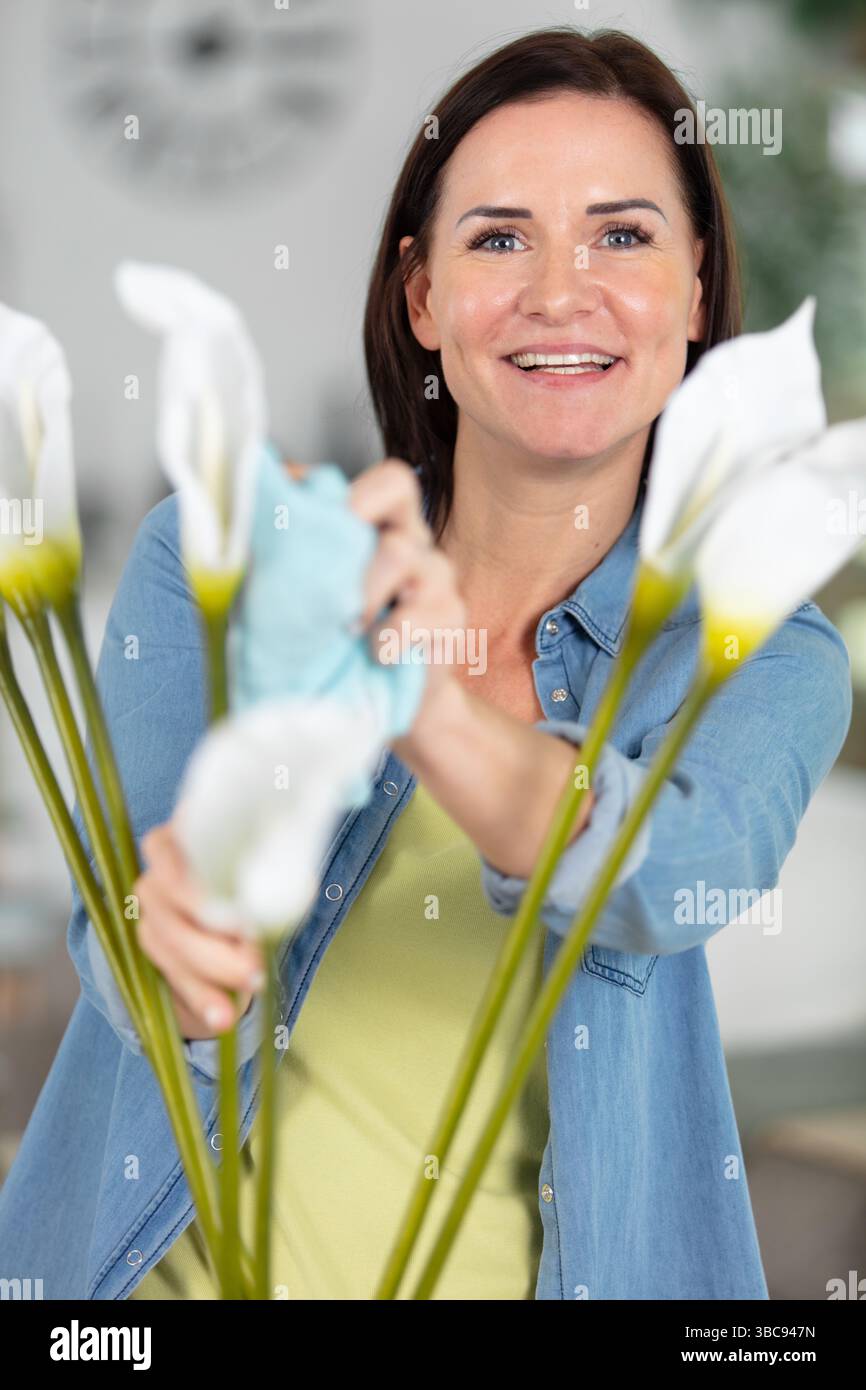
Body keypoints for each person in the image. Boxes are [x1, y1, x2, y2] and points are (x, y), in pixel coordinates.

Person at [0, 27, 851, 1300]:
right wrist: (173, 949)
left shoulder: (765, 654)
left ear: (692, 291)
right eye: (499, 238)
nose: (560, 292)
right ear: (421, 297)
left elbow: (673, 873)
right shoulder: (224, 555)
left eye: (621, 236)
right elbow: (134, 944)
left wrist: (411, 687)